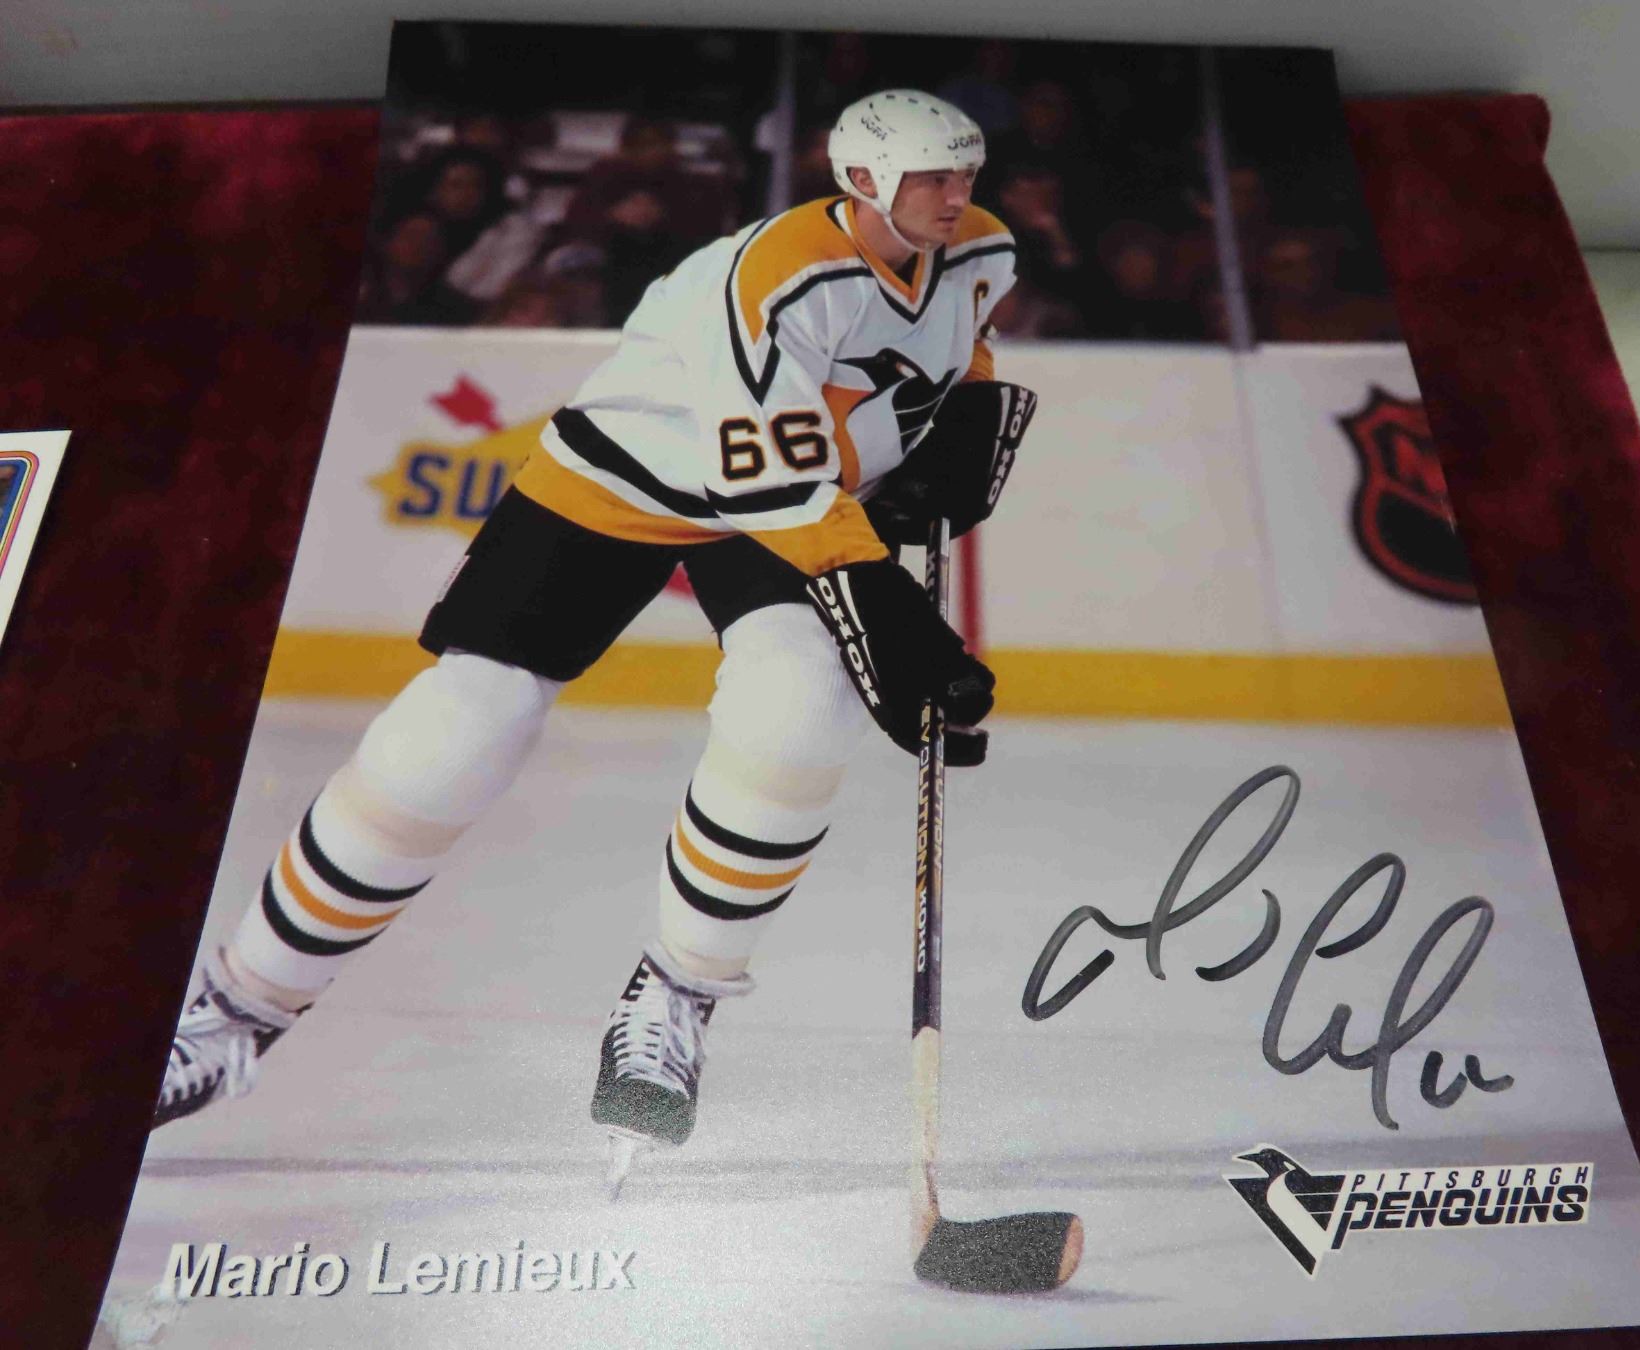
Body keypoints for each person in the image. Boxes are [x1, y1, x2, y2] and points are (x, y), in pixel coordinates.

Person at [155, 91, 1036, 1182]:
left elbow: (957, 345)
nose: (957, 195)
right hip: (625, 481)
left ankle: (679, 994)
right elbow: (774, 490)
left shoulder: (983, 250)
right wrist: (904, 632)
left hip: (798, 493)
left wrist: (960, 420)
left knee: (801, 707)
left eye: (966, 172)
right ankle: (239, 1006)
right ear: (861, 182)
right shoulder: (775, 280)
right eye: (931, 178)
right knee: (461, 722)